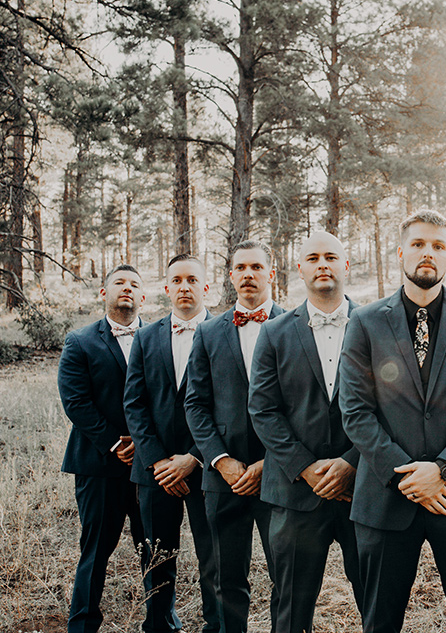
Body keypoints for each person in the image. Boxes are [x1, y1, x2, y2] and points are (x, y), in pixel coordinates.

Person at [339, 209, 446, 633]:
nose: (427, 253)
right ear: (400, 253)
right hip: (386, 499)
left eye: (437, 245)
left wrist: (443, 469)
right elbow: (356, 412)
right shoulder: (365, 321)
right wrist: (407, 477)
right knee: (380, 622)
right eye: (418, 244)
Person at [248, 232, 364, 632]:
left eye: (331, 256)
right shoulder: (274, 332)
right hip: (296, 492)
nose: (322, 264)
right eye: (312, 257)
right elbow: (262, 410)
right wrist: (306, 467)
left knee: (377, 601)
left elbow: (393, 406)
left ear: (346, 265)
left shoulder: (378, 325)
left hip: (364, 489)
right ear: (300, 268)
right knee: (291, 607)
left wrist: (352, 462)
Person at [184, 241, 285, 633]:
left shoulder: (294, 324)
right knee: (225, 579)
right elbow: (195, 403)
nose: (248, 274)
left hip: (280, 474)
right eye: (240, 267)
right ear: (230, 276)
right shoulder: (209, 332)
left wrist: (271, 462)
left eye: (256, 267)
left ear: (271, 273)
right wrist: (221, 461)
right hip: (222, 478)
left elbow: (302, 407)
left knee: (288, 576)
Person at [124, 254, 221, 633]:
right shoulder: (146, 337)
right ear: (166, 289)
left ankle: (217, 626)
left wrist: (193, 459)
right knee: (157, 558)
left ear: (205, 287)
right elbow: (134, 403)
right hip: (155, 471)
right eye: (176, 280)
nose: (184, 286)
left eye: (192, 280)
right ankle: (159, 624)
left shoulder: (223, 332)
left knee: (214, 558)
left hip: (210, 468)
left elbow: (231, 406)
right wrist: (159, 462)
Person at [58, 264, 148, 633]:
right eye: (119, 283)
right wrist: (115, 443)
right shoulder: (80, 341)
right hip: (98, 466)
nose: (126, 289)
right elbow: (76, 402)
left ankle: (162, 618)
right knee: (95, 551)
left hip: (149, 467)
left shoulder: (159, 337)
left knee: (155, 548)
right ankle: (82, 623)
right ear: (103, 292)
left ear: (144, 296)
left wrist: (143, 447)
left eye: (134, 285)